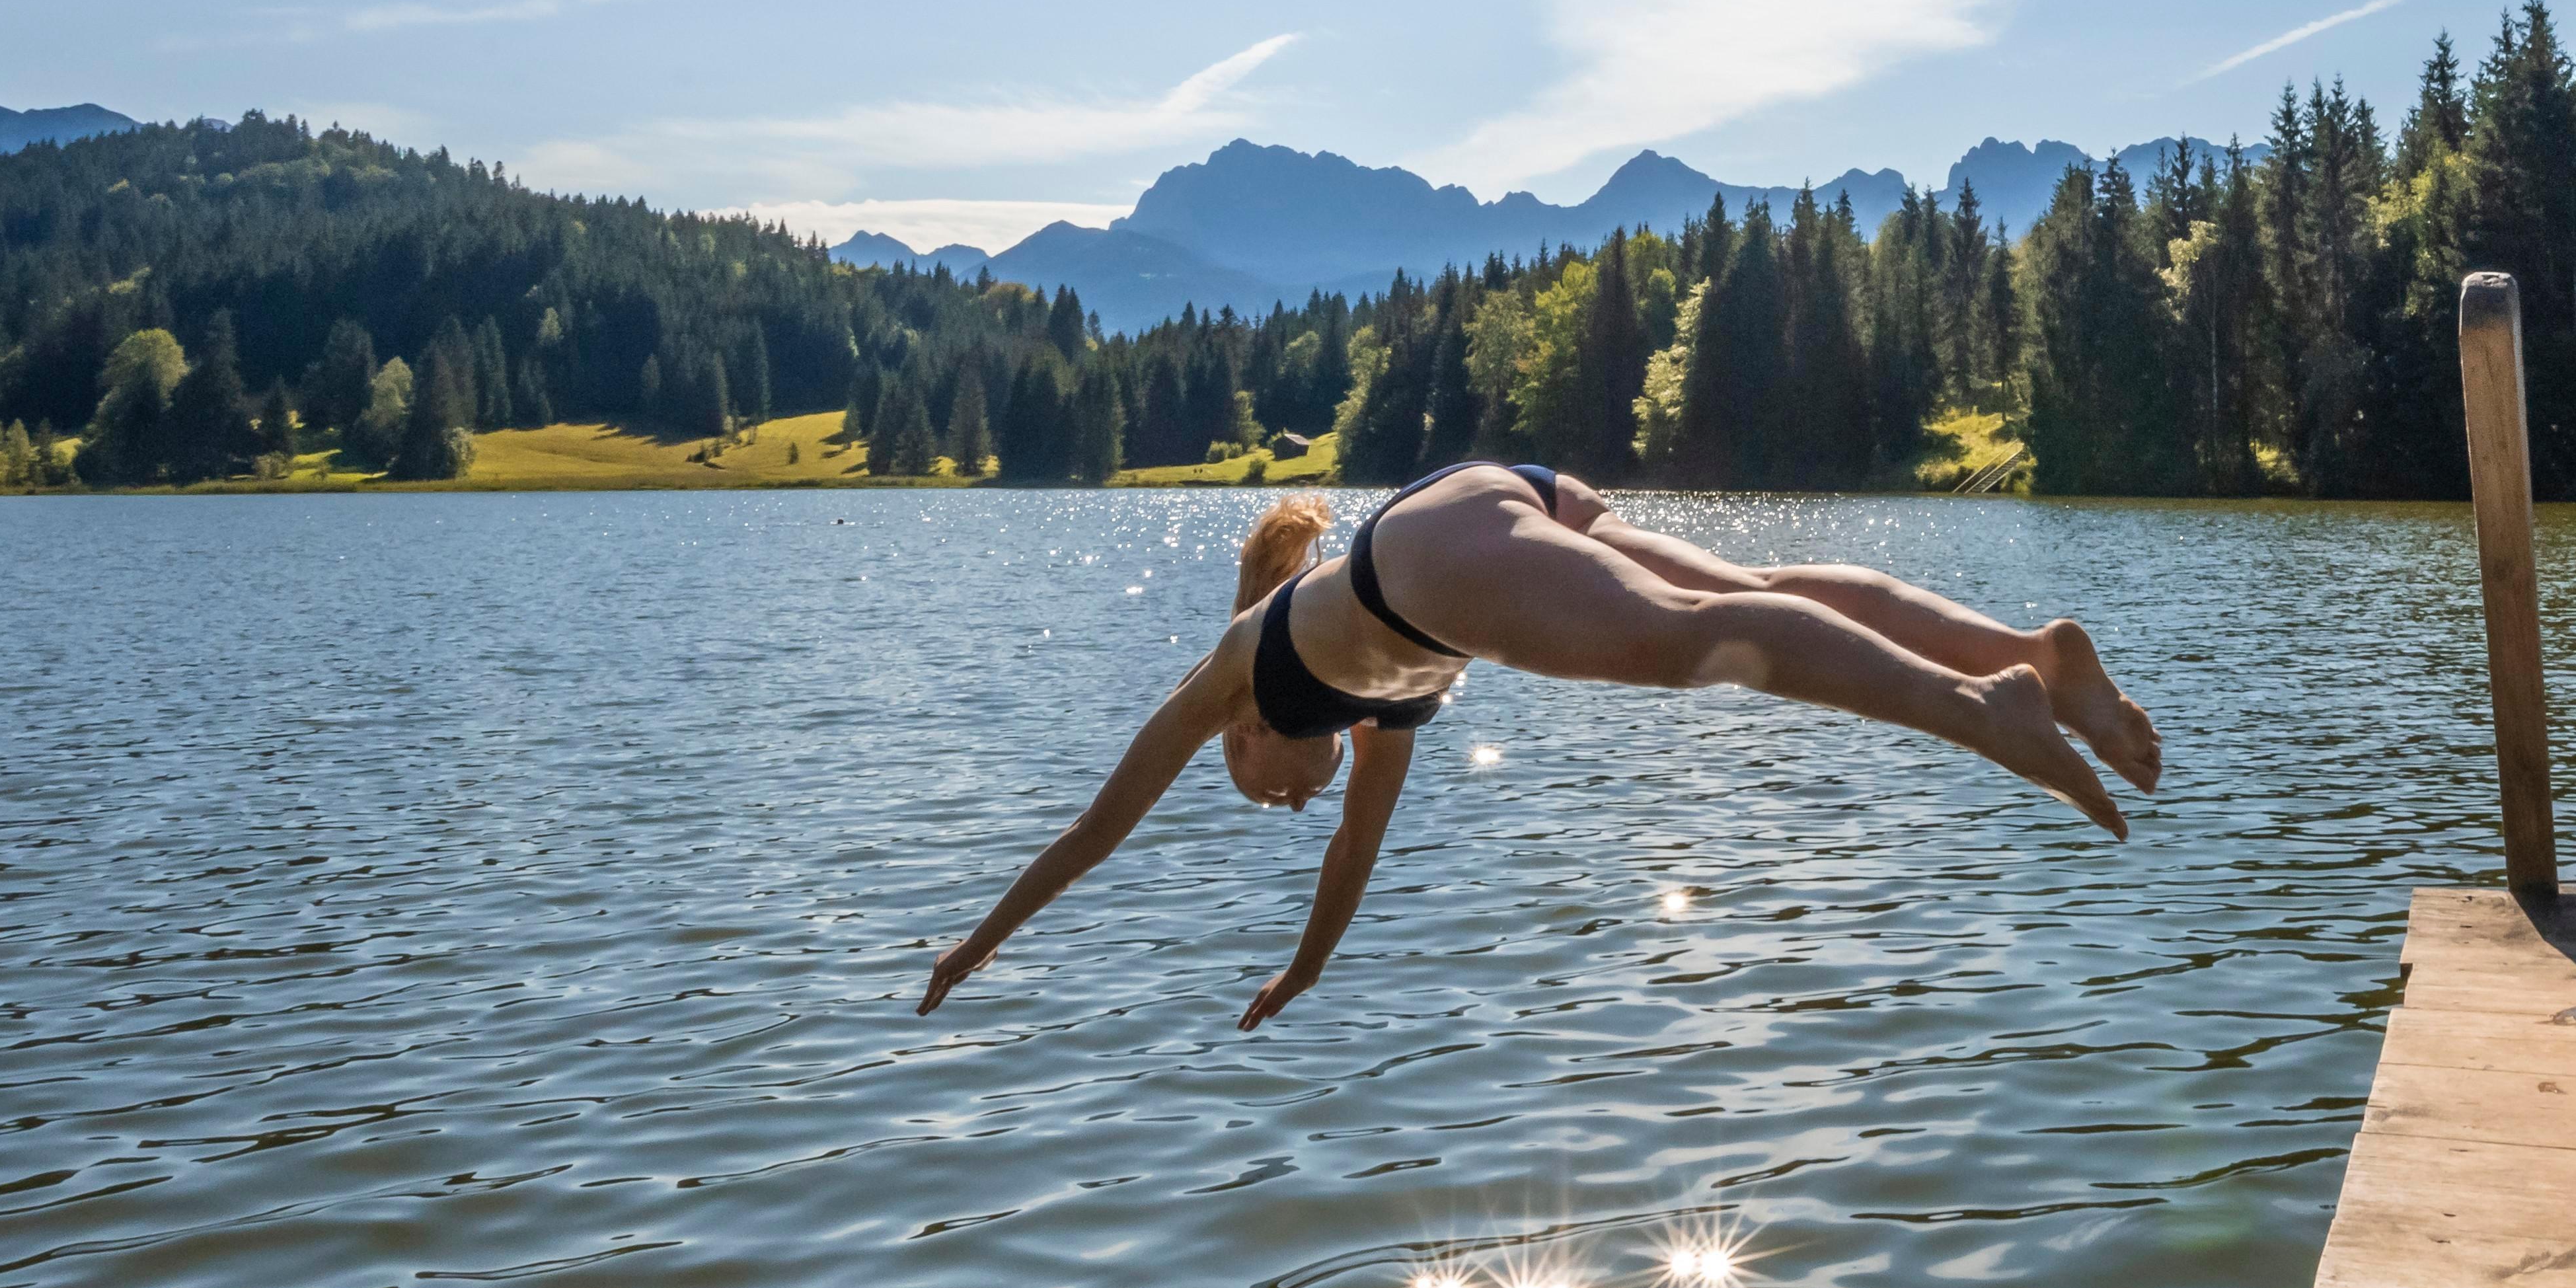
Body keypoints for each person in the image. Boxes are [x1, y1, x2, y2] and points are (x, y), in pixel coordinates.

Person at [919, 461, 2160, 1026]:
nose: (1284, 801)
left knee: (1693, 638)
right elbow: (1352, 857)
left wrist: (979, 942)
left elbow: (1096, 830)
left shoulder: (1234, 670)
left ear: (1241, 738)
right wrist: (1303, 972)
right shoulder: (1378, 712)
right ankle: (2041, 657)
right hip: (1488, 506)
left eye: (1257, 791)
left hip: (1433, 559)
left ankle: (1980, 707)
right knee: (1757, 582)